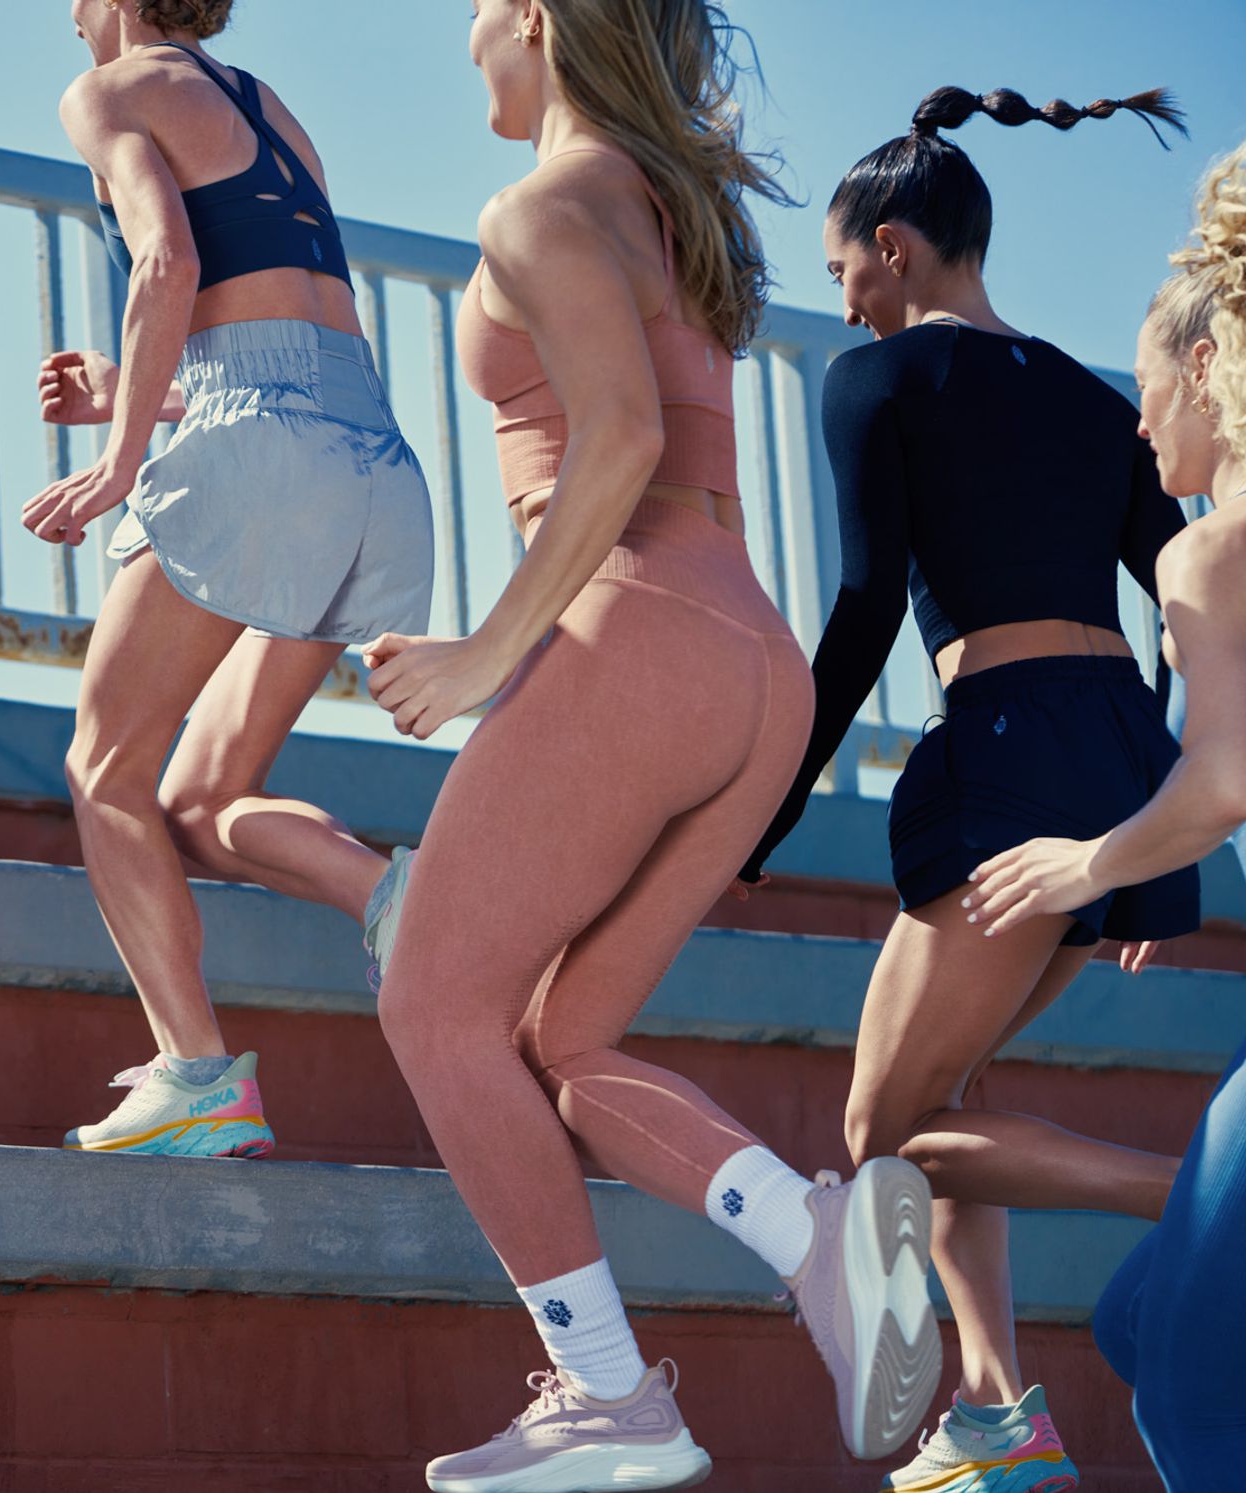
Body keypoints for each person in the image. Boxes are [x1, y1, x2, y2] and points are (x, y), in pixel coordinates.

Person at [370, 5, 943, 1487]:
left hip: (637, 635)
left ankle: (608, 1392)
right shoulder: (665, 212)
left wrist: (483, 653)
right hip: (749, 663)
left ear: (537, 20)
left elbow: (617, 438)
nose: (464, 41)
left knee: (432, 1007)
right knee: (563, 1041)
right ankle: (811, 1235)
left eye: (478, 11)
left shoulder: (536, 207)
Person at [737, 85, 1193, 1493]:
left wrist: (772, 801)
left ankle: (1199, 1196)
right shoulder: (1095, 399)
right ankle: (996, 1415)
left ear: (894, 247)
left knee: (880, 1135)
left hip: (1003, 750)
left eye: (844, 271)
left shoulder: (875, 378)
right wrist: (1148, 827)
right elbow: (1177, 603)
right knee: (955, 1094)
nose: (845, 302)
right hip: (1116, 752)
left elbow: (866, 604)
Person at [31, 0, 434, 1159]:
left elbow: (168, 259)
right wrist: (139, 398)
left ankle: (196, 1076)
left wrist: (118, 463)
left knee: (103, 764)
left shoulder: (107, 90)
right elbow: (281, 331)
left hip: (264, 444)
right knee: (203, 800)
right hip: (370, 459)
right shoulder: (268, 107)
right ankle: (400, 902)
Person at [967, 142, 1246, 1492]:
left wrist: (1089, 862)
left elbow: (1223, 782)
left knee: (1188, 1393)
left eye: (1142, 390)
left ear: (1203, 367)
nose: (1138, 428)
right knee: (1138, 1319)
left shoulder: (1207, 551)